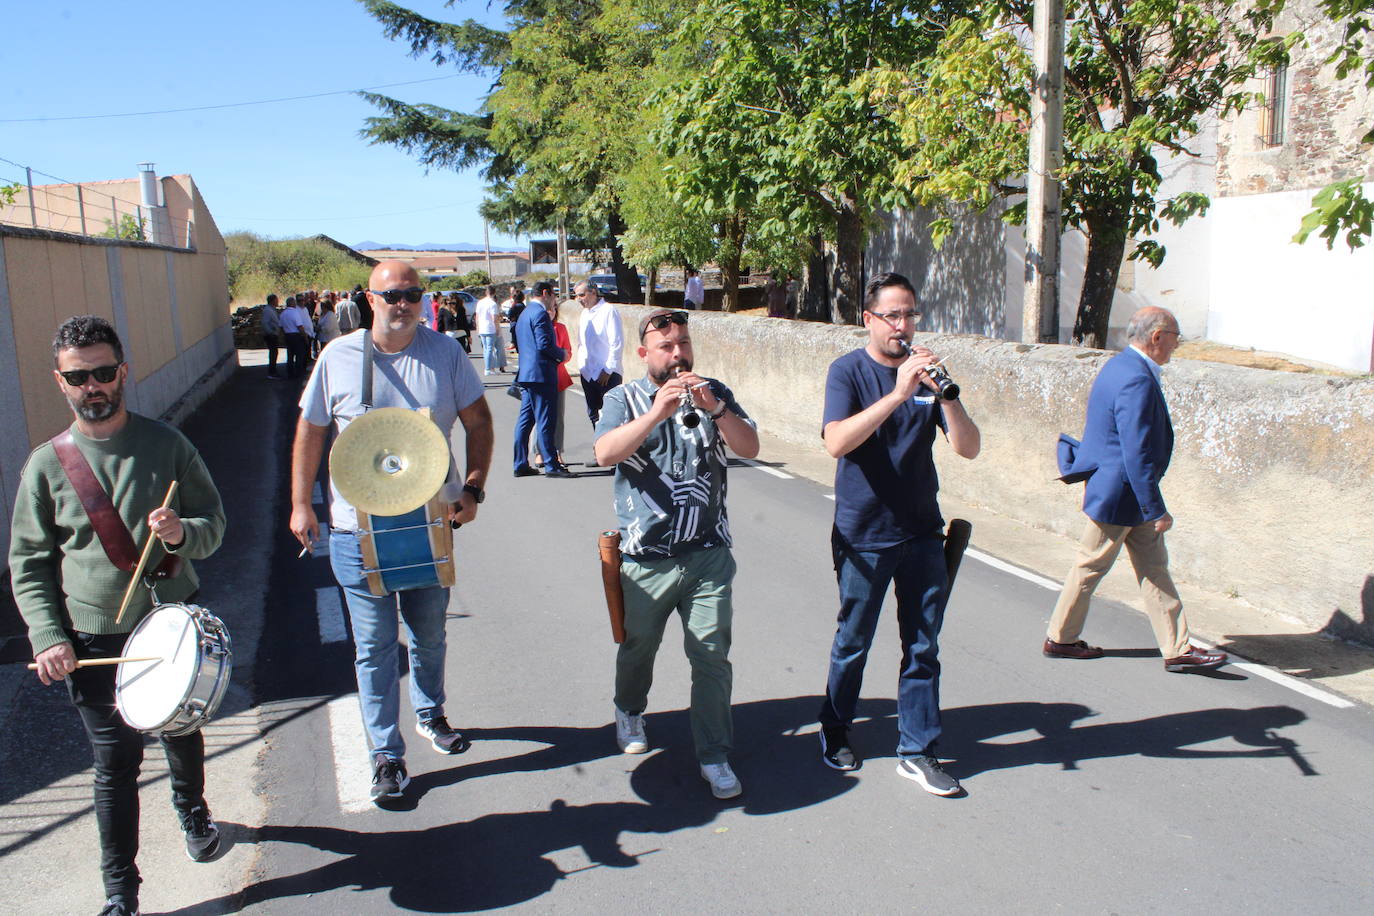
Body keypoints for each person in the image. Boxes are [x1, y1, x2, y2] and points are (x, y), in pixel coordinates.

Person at [10, 316, 227, 916]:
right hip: (91, 638)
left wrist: (182, 533)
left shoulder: (168, 446)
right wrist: (48, 636)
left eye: (104, 373)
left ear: (123, 372)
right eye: (79, 377)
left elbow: (214, 525)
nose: (93, 386)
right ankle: (121, 891)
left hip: (167, 623)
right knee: (114, 764)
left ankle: (191, 806)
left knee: (180, 730)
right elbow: (28, 563)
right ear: (60, 382)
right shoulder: (46, 465)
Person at [290, 260, 494, 806]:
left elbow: (479, 421)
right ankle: (385, 754)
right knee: (376, 647)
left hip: (429, 526)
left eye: (412, 294)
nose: (402, 304)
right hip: (355, 532)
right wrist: (301, 504)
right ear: (370, 299)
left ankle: (430, 712)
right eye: (391, 295)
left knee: (429, 633)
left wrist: (473, 488)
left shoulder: (445, 353)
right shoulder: (338, 357)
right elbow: (310, 430)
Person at [817, 272, 980, 797]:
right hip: (864, 533)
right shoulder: (848, 371)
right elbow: (837, 442)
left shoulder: (927, 378)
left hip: (921, 532)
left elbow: (969, 448)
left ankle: (917, 750)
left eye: (910, 314)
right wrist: (898, 393)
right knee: (854, 640)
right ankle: (835, 727)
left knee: (923, 646)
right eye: (892, 316)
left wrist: (945, 397)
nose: (903, 326)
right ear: (869, 319)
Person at [593, 308, 760, 800]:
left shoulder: (715, 392)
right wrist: (655, 414)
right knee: (638, 647)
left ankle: (714, 754)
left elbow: (750, 447)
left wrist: (717, 409)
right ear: (644, 353)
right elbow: (604, 454)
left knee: (711, 655)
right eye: (666, 346)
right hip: (647, 557)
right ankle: (629, 709)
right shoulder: (622, 399)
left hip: (708, 552)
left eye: (683, 343)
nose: (678, 353)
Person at [1047, 306, 1228, 673]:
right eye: (1175, 337)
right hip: (1122, 494)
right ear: (1157, 337)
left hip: (1124, 490)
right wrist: (1155, 508)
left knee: (1154, 568)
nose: (1177, 345)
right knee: (1091, 565)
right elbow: (1136, 451)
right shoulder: (1137, 379)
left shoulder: (1120, 366)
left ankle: (1177, 649)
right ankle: (1060, 638)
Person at [511, 284, 572, 479]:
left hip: (527, 374)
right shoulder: (540, 314)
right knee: (546, 420)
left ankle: (520, 463)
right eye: (553, 295)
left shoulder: (525, 313)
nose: (554, 300)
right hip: (541, 374)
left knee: (526, 421)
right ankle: (551, 465)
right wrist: (561, 354)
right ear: (545, 293)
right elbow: (544, 344)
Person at [576, 279, 624, 430]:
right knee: (594, 415)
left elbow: (616, 343)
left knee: (611, 417)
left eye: (582, 295)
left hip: (606, 375)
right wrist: (582, 367)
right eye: (576, 296)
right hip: (588, 373)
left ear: (593, 292)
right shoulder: (584, 314)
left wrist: (608, 370)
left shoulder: (608, 311)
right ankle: (600, 443)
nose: (578, 299)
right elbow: (582, 344)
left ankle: (613, 445)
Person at [540, 284, 573, 467]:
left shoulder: (560, 328)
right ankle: (540, 452)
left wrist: (559, 357)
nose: (551, 312)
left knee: (558, 418)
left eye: (553, 309)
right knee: (541, 416)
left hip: (559, 376)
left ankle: (557, 451)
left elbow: (568, 352)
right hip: (543, 377)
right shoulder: (539, 327)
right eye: (548, 309)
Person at [280, 295, 314, 379]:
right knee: (299, 355)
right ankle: (299, 373)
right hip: (296, 335)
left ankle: (290, 373)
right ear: (292, 303)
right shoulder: (295, 312)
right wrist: (305, 337)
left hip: (287, 335)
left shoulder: (283, 313)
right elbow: (300, 326)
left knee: (290, 356)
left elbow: (281, 326)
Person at [475, 286, 505, 375]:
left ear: (486, 292)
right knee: (489, 349)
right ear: (494, 293)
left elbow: (477, 317)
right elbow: (494, 318)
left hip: (482, 328)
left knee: (485, 349)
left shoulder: (480, 302)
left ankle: (488, 367)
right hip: (490, 329)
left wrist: (478, 328)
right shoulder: (493, 304)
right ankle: (488, 369)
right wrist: (497, 329)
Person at [260, 293, 284, 378]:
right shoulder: (268, 310)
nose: (278, 301)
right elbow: (265, 323)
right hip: (271, 336)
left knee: (274, 353)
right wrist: (271, 332)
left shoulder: (272, 309)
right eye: (276, 300)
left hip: (273, 334)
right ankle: (271, 372)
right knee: (273, 353)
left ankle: (273, 371)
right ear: (272, 301)